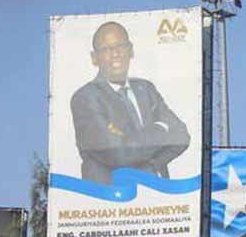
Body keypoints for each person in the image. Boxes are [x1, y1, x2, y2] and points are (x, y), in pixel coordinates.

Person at [71, 21, 190, 185]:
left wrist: (151, 166)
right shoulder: (86, 97)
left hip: (157, 196)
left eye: (120, 46)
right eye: (106, 49)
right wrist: (160, 128)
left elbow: (181, 136)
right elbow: (118, 153)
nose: (115, 54)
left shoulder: (146, 89)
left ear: (131, 50)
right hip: (108, 200)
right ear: (94, 58)